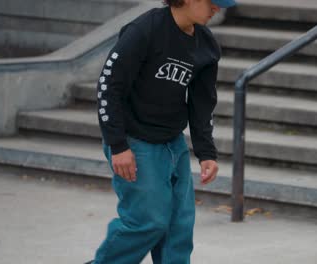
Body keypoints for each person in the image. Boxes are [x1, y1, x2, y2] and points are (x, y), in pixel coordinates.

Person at [88, 0, 236, 263]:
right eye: (212, 2)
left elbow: (202, 103)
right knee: (147, 222)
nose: (218, 8)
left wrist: (206, 153)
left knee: (178, 227)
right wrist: (118, 145)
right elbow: (109, 85)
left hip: (172, 144)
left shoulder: (206, 43)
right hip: (135, 141)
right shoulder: (145, 30)